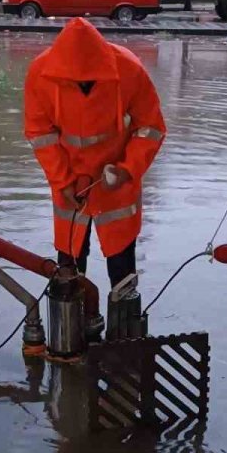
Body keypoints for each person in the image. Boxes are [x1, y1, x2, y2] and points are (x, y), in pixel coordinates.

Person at [24, 17, 166, 301]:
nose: (84, 84)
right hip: (70, 181)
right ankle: (73, 327)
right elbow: (40, 134)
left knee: (123, 263)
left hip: (116, 181)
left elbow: (150, 128)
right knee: (69, 266)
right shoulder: (41, 73)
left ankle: (125, 330)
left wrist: (127, 170)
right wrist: (63, 181)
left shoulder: (129, 69)